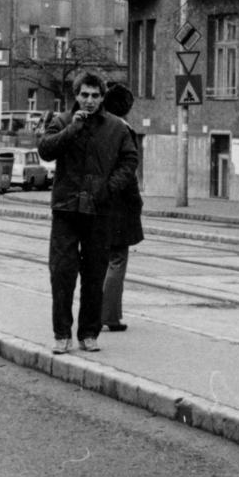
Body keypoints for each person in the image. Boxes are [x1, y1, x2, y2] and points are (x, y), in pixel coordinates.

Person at [38, 72, 139, 355]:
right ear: (76, 96)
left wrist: (111, 187)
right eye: (85, 95)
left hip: (99, 209)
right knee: (62, 273)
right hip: (67, 209)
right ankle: (61, 334)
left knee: (94, 275)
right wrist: (73, 129)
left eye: (95, 95)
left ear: (103, 97)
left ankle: (89, 333)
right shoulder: (61, 121)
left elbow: (130, 159)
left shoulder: (116, 128)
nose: (90, 100)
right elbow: (45, 150)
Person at [99, 82, 144, 334]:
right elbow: (128, 171)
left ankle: (94, 312)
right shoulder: (124, 130)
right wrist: (136, 202)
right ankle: (110, 316)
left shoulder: (99, 126)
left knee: (100, 260)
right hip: (118, 205)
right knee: (117, 259)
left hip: (97, 202)